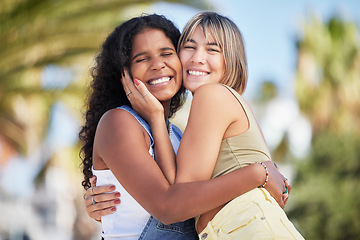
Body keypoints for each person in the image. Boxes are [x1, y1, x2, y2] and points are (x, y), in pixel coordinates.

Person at [79, 13, 288, 240]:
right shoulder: (118, 122)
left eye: (167, 53)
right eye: (141, 59)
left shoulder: (177, 134)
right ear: (123, 72)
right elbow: (170, 205)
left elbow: (187, 196)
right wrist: (259, 173)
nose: (158, 65)